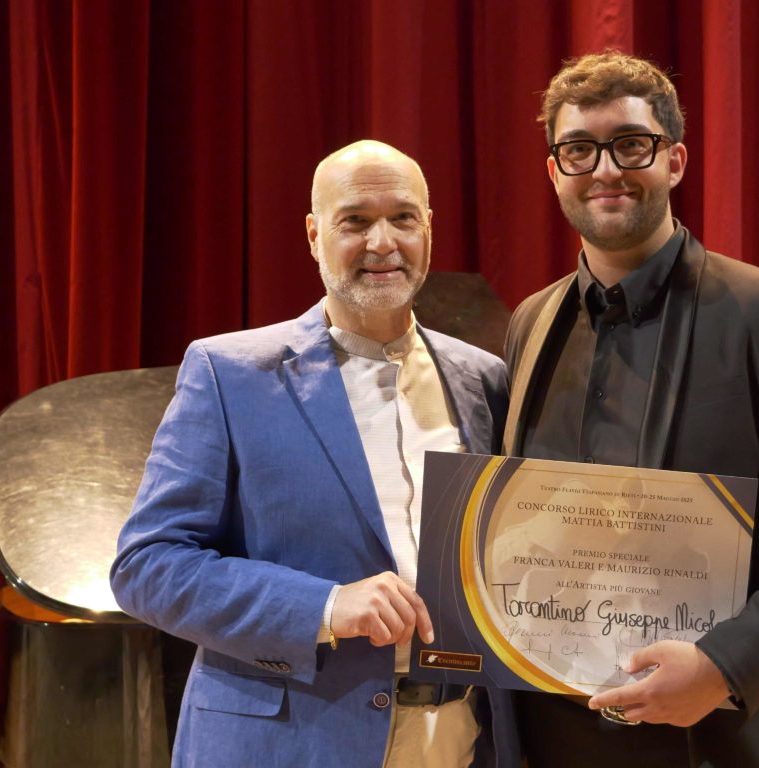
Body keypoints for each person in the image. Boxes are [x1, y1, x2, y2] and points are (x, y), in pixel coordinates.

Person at [504, 52, 759, 768]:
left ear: (675, 160)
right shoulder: (530, 322)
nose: (605, 169)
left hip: (732, 737)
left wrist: (725, 665)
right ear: (554, 171)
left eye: (631, 145)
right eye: (579, 150)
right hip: (564, 738)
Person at [111, 141, 519, 768]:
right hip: (289, 744)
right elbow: (147, 566)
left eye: (403, 218)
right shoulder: (228, 373)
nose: (383, 242)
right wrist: (324, 606)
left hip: (460, 739)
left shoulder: (483, 377)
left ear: (428, 229)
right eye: (355, 220)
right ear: (313, 234)